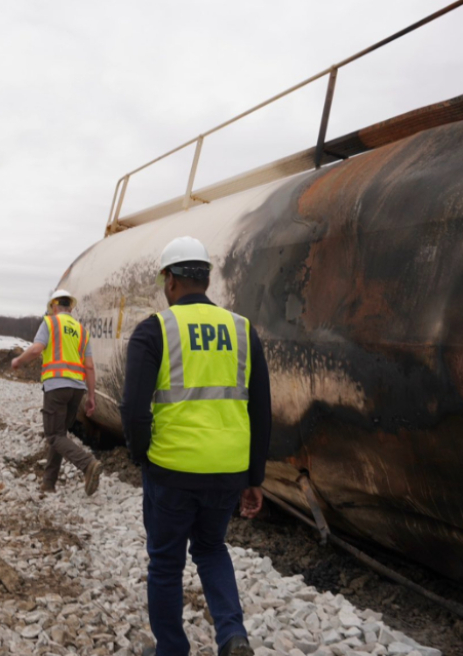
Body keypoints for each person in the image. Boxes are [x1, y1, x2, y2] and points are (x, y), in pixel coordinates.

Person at [120, 236, 272, 656]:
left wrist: (140, 456)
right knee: (211, 548)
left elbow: (133, 409)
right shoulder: (243, 330)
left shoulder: (155, 329)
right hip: (226, 469)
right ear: (206, 279)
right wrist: (254, 477)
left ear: (170, 280)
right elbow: (261, 410)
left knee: (166, 563)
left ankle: (172, 650)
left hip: (171, 469)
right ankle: (232, 635)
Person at [11, 289, 103, 496]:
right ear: (70, 307)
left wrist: (19, 361)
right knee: (60, 435)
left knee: (53, 435)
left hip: (56, 387)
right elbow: (89, 367)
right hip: (77, 390)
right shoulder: (81, 331)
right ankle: (48, 483)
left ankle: (87, 463)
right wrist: (91, 397)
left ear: (53, 307)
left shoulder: (50, 323)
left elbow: (36, 349)